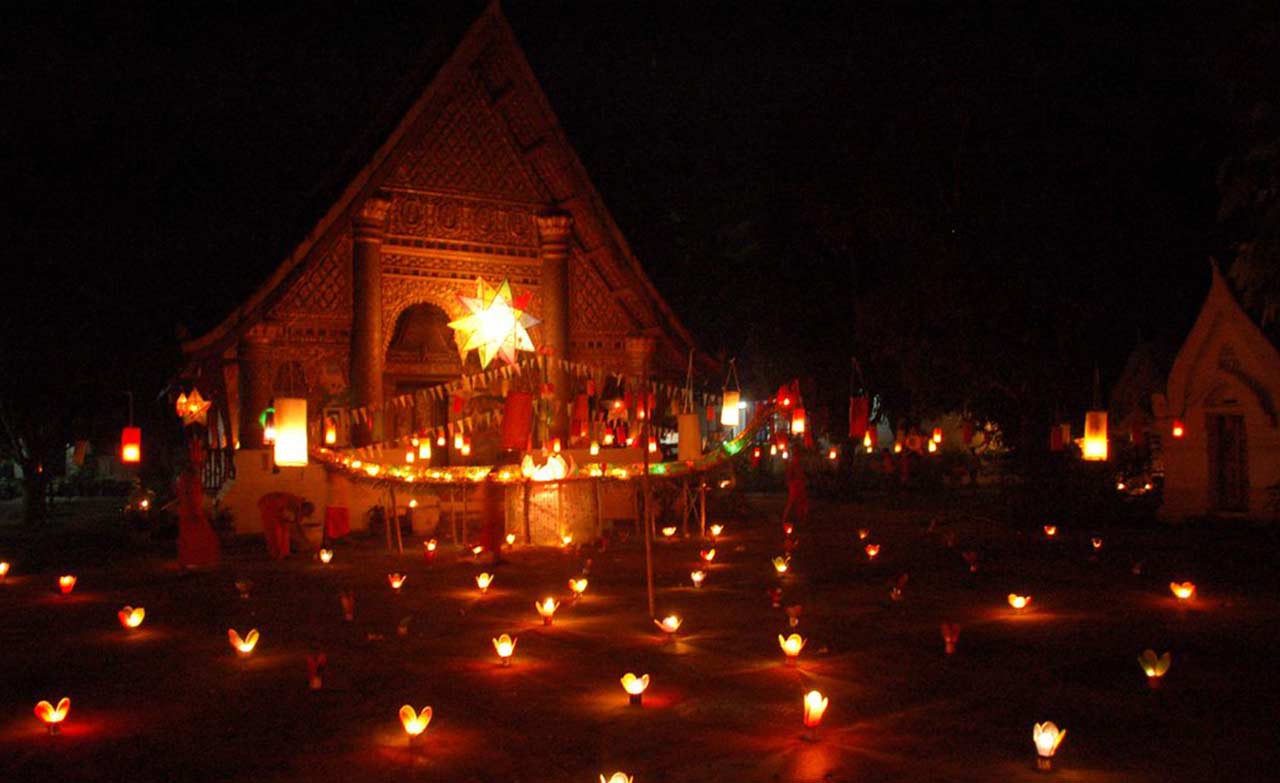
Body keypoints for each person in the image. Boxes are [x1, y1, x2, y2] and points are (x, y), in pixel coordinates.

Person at [257, 492, 315, 559]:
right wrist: (306, 540)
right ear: (305, 508)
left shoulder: (296, 507)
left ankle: (285, 553)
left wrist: (305, 539)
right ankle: (276, 555)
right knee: (274, 532)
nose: (304, 516)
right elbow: (297, 527)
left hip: (280, 510)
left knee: (285, 531)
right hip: (269, 506)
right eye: (306, 514)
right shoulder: (295, 504)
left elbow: (295, 525)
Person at [781, 450, 809, 528]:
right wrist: (792, 484)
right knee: (792, 502)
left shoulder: (800, 465)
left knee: (801, 503)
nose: (798, 458)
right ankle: (786, 520)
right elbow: (789, 477)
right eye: (797, 456)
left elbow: (803, 475)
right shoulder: (792, 465)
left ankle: (801, 519)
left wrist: (803, 481)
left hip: (800, 486)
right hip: (795, 486)